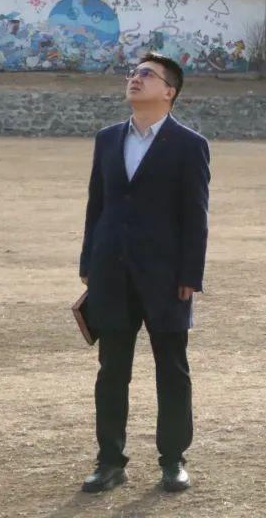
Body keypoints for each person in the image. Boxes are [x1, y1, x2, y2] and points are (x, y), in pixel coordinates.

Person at [78, 52, 210, 493]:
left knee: (172, 369)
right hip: (111, 272)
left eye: (147, 75)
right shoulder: (107, 139)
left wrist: (190, 273)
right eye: (133, 73)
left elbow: (195, 215)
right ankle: (109, 461)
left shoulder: (189, 144)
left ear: (169, 91)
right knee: (112, 371)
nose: (135, 79)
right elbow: (97, 205)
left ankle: (172, 460)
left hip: (167, 277)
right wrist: (88, 263)